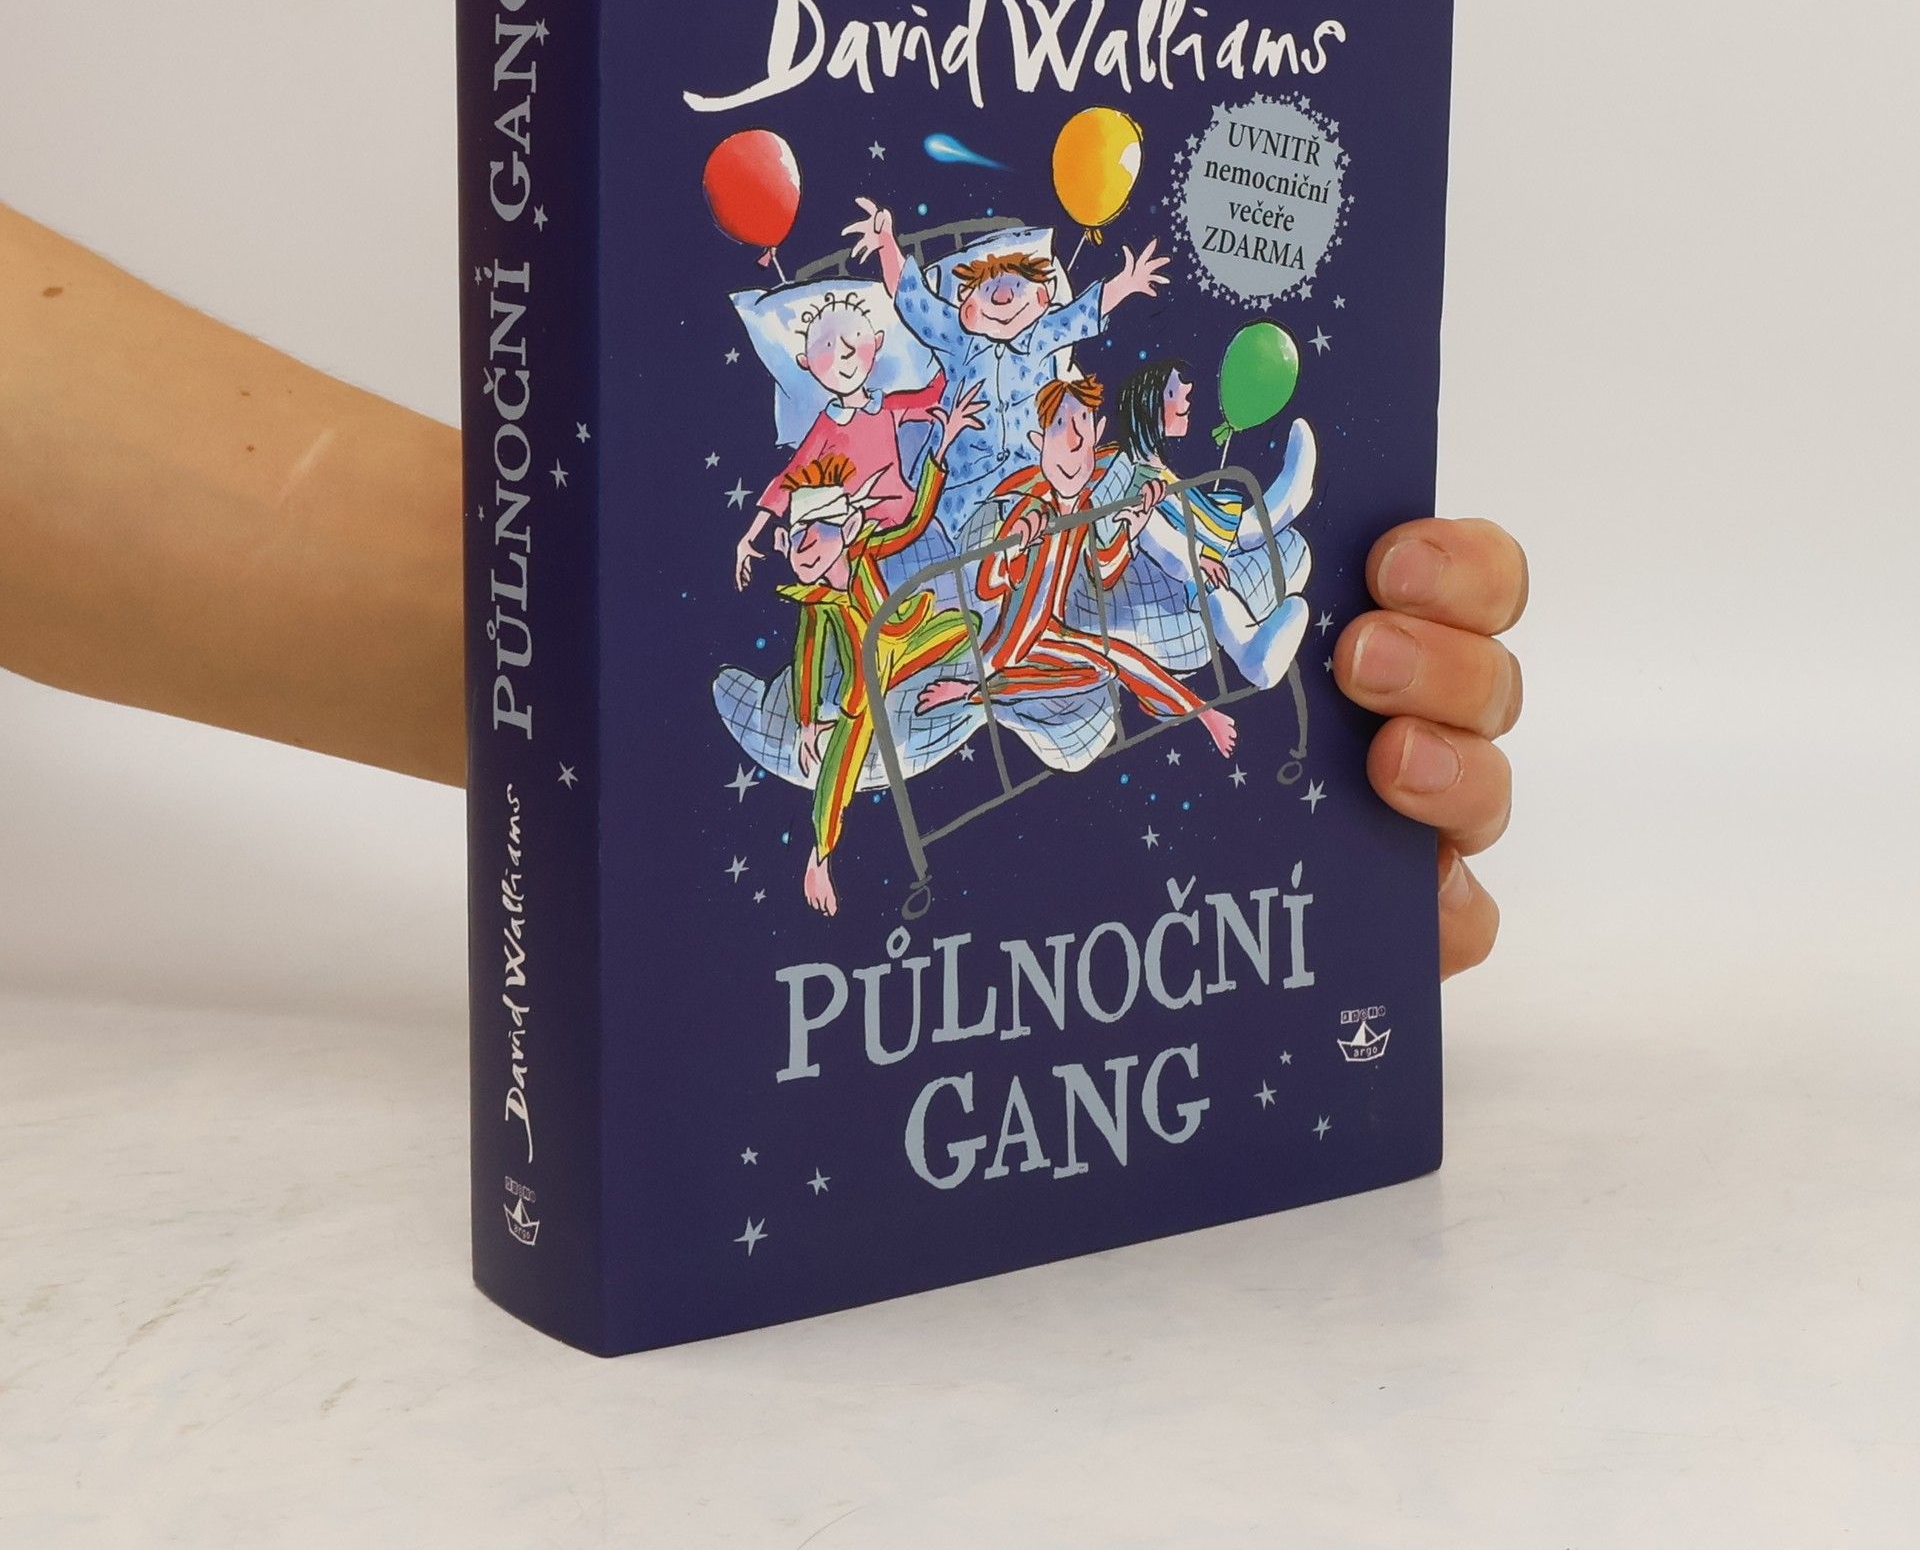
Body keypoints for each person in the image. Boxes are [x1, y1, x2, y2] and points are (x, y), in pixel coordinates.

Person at [0, 199, 1525, 977]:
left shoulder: (1023, 364)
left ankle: (1253, 564)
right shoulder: (926, 381)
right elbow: (907, 388)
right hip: (978, 552)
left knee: (1147, 500)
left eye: (1026, 287)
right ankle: (1216, 618)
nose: (1011, 301)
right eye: (992, 288)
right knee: (1068, 550)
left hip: (1036, 518)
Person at [918, 374, 1238, 760]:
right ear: (1038, 442)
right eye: (1059, 427)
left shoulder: (1085, 507)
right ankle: (974, 692)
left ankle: (1200, 711)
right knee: (1100, 665)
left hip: (1050, 634)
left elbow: (1104, 571)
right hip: (1010, 647)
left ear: (1096, 434)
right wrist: (1012, 549)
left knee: (1113, 662)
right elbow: (988, 584)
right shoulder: (1031, 505)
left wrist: (1132, 528)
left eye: (1082, 426)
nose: (1073, 443)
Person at [773, 381, 984, 917]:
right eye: (794, 538)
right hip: (865, 682)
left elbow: (914, 523)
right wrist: (806, 721)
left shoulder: (865, 551)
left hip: (902, 642)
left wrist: (941, 446)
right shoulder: (816, 601)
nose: (802, 548)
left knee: (968, 624)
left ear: (846, 529)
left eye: (814, 533)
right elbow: (808, 659)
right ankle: (820, 856)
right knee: (842, 758)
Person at [842, 198, 1170, 532]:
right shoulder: (956, 337)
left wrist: (1126, 283)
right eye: (988, 288)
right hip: (960, 489)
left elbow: (1083, 313)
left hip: (1026, 483)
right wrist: (886, 242)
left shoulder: (1043, 333)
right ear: (968, 306)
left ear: (1042, 297)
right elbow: (914, 300)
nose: (1002, 297)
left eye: (1016, 284)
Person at [1096, 357, 1315, 689]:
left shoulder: (1151, 464)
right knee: (1211, 590)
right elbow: (1155, 536)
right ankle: (1252, 655)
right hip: (1175, 562)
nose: (1187, 397)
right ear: (1148, 405)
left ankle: (1276, 509)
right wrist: (1196, 560)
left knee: (1218, 518)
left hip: (1188, 528)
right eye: (1173, 393)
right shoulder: (1130, 474)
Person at [733, 285, 946, 590]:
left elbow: (934, 396)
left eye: (854, 340)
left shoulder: (887, 407)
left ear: (877, 342)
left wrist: (948, 340)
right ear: (806, 362)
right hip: (857, 540)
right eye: (827, 347)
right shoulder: (826, 428)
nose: (843, 354)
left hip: (910, 524)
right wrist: (750, 536)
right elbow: (786, 481)